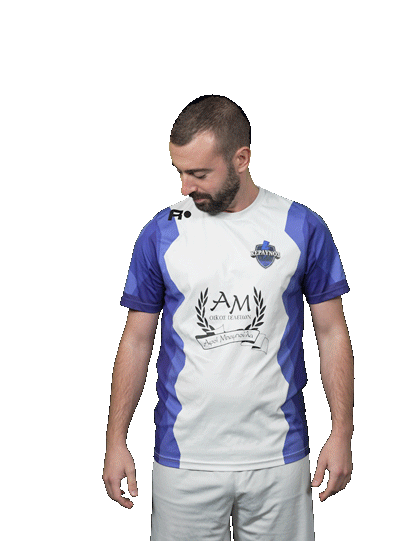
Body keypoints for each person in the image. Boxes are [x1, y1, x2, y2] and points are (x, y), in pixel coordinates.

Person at [103, 96, 354, 540]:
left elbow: (331, 333)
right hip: (183, 459)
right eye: (180, 172)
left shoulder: (301, 226)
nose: (185, 187)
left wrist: (342, 434)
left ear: (241, 159)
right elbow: (136, 340)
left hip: (278, 458)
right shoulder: (161, 231)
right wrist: (115, 440)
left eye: (199, 174)